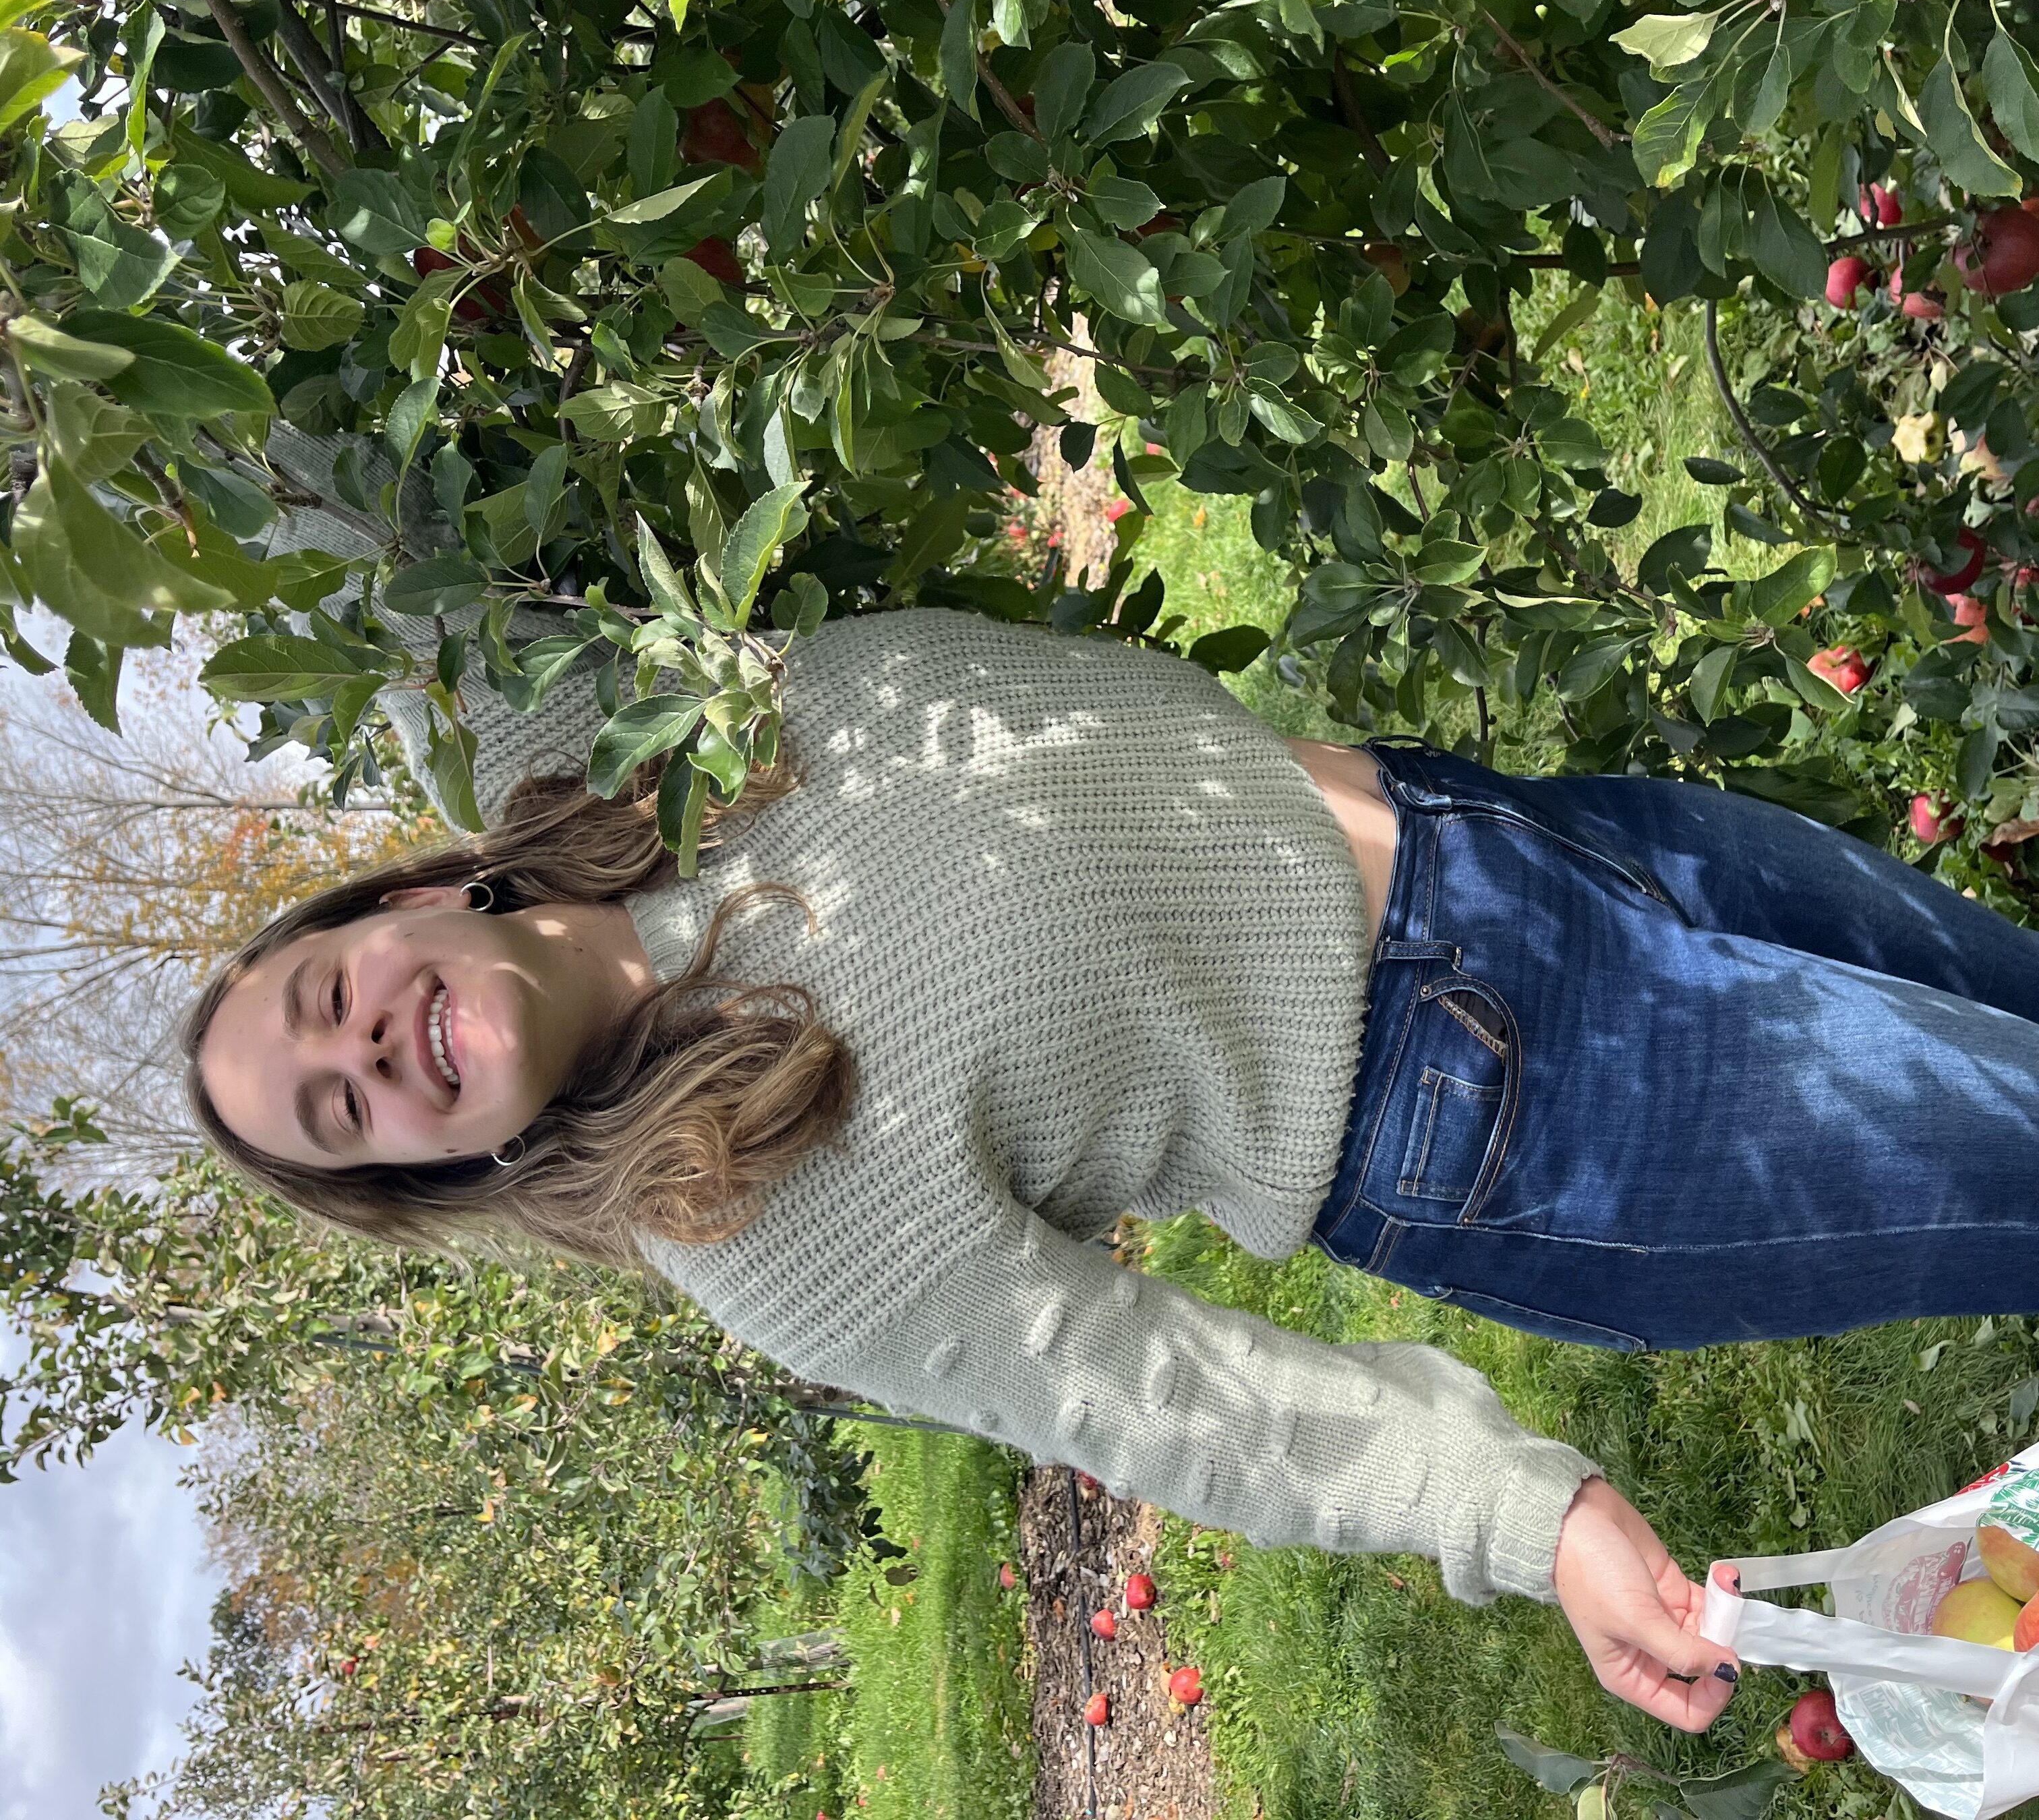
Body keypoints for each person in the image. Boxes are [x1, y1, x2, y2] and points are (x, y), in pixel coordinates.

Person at [186, 434, 2039, 1739]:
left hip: (1498, 837)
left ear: (414, 895)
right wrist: (1513, 1508)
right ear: (447, 1165)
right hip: (1518, 1118)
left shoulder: (583, 729)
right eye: (346, 1113)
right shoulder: (745, 1224)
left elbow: (334, 465)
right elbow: (1163, 1403)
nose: (360, 1049)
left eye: (325, 998)